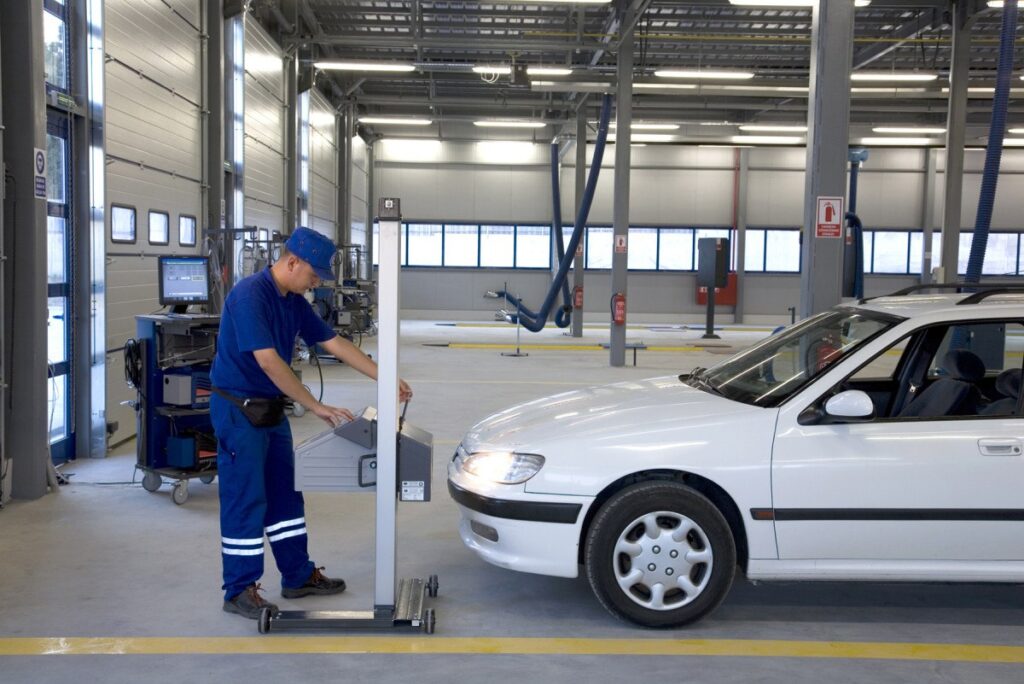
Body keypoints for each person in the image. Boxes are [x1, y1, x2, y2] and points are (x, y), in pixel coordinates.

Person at [209, 226, 412, 619]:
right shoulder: (250, 296)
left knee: (286, 494)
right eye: (314, 275)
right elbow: (269, 362)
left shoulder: (294, 303)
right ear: (292, 262)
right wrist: (316, 406)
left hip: (270, 410)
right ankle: (239, 589)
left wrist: (386, 378)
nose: (316, 283)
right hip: (238, 411)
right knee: (246, 498)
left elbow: (335, 343)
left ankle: (297, 575)